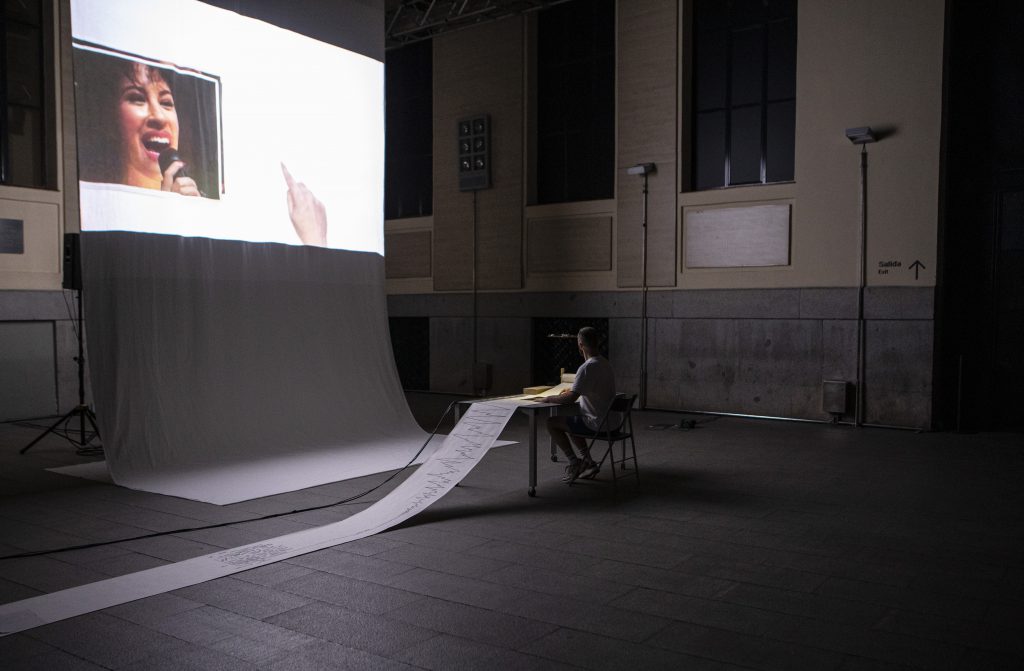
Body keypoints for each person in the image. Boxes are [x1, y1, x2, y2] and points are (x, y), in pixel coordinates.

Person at [538, 326, 620, 483]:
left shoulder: (586, 367)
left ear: (580, 344)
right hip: (614, 423)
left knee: (552, 422)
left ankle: (574, 462)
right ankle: (588, 462)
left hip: (597, 424)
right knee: (573, 420)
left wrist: (549, 399)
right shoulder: (606, 364)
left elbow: (569, 399)